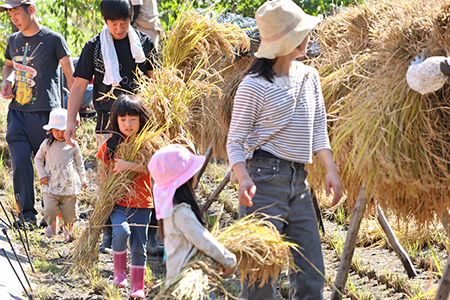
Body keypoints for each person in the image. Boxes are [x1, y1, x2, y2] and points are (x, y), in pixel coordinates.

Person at [226, 0, 343, 299]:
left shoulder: (309, 77)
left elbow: (318, 130)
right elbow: (235, 141)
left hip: (299, 183)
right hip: (263, 183)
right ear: (289, 40)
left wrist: (330, 170)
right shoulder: (253, 85)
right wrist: (243, 178)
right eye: (304, 32)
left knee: (311, 276)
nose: (309, 36)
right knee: (259, 282)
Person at [1, 0, 75, 229]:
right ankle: (26, 215)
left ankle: (55, 215)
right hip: (18, 114)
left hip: (47, 116)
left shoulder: (53, 39)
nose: (13, 18)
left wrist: (72, 113)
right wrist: (6, 80)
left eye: (16, 13)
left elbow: (71, 75)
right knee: (21, 161)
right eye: (10, 14)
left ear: (31, 10)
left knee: (53, 165)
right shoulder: (13, 40)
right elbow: (10, 66)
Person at [65, 0, 157, 149]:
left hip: (139, 123)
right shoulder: (94, 47)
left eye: (124, 23)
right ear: (105, 20)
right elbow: (79, 87)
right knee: (109, 168)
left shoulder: (144, 43)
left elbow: (155, 83)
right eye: (114, 24)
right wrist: (70, 121)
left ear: (131, 17)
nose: (119, 29)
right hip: (107, 122)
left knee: (139, 168)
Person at [148, 144, 237, 289]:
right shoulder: (181, 213)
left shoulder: (171, 209)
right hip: (186, 285)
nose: (196, 177)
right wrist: (228, 260)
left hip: (178, 283)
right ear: (185, 180)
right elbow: (203, 240)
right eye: (193, 173)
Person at [95, 94, 154, 299]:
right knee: (120, 232)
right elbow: (102, 165)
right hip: (118, 202)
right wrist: (106, 188)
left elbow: (152, 167)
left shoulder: (146, 143)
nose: (128, 124)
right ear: (116, 121)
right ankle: (119, 271)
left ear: (141, 120)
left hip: (142, 203)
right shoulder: (112, 143)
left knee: (139, 246)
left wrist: (128, 166)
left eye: (132, 119)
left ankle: (137, 286)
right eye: (123, 120)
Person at [34, 108, 87, 242]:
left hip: (69, 185)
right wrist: (42, 175)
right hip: (51, 183)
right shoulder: (47, 144)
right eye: (56, 130)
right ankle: (52, 225)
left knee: (69, 211)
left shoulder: (73, 145)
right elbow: (38, 159)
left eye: (63, 130)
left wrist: (83, 179)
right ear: (50, 130)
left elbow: (79, 164)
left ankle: (68, 231)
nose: (60, 134)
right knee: (50, 209)